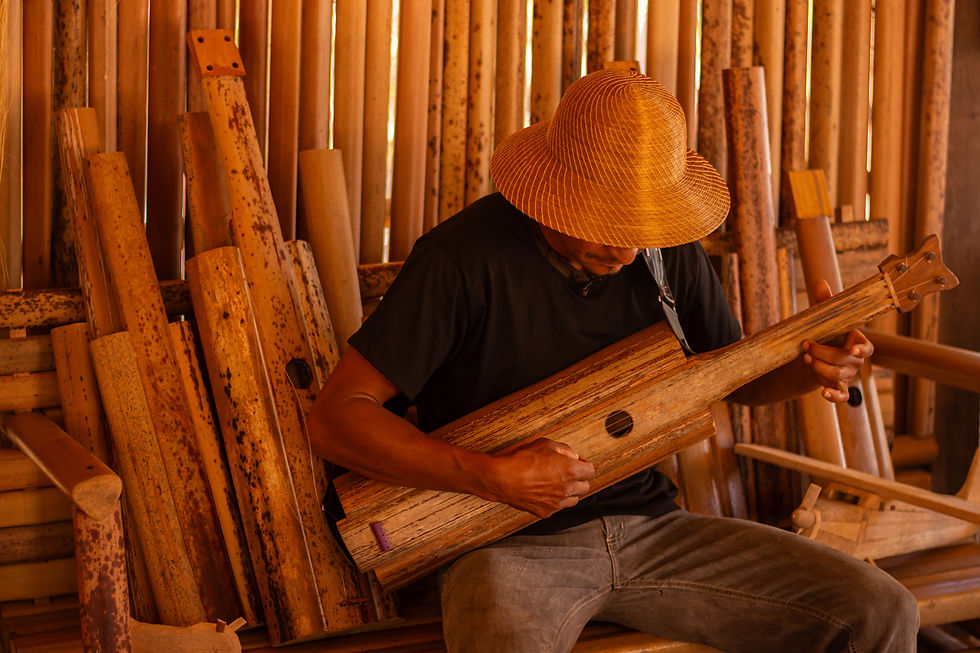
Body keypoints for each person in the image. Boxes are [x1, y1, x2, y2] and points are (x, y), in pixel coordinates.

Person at [308, 70, 918, 652]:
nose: (627, 252)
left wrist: (810, 364)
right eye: (606, 225)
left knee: (881, 611)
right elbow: (336, 419)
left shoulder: (661, 248)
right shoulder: (461, 260)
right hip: (501, 543)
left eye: (641, 227)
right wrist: (485, 474)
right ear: (551, 194)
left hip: (654, 529)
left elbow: (739, 384)